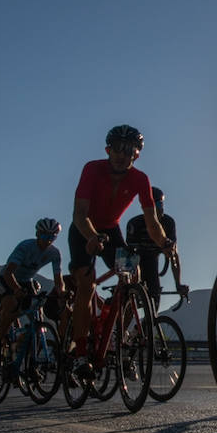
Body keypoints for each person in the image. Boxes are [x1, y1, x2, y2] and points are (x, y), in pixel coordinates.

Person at [68, 125, 175, 361]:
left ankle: (114, 328)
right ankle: (81, 351)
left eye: (129, 151)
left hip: (110, 228)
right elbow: (79, 214)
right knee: (87, 285)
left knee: (133, 275)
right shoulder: (92, 169)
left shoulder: (140, 179)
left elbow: (152, 222)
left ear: (137, 154)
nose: (122, 155)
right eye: (118, 149)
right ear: (108, 149)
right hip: (84, 229)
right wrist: (92, 237)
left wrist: (165, 242)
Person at [0, 217, 66, 338]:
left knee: (37, 317)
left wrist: (62, 293)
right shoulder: (25, 247)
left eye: (52, 238)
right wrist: (16, 289)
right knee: (12, 308)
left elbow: (58, 281)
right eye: (44, 237)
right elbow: (8, 273)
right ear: (38, 234)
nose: (48, 241)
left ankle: (26, 344)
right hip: (7, 279)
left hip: (27, 282)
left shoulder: (54, 253)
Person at [125, 187, 189, 310]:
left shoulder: (168, 223)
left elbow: (174, 256)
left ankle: (145, 327)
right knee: (129, 297)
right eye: (154, 204)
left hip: (151, 260)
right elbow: (127, 258)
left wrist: (178, 284)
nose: (159, 208)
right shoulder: (135, 224)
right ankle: (123, 320)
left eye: (160, 204)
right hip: (135, 257)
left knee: (154, 300)